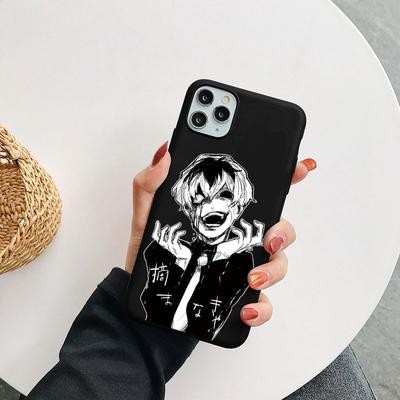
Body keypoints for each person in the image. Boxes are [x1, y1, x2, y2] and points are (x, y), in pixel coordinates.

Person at [25, 143, 375, 400]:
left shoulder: (226, 256)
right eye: (199, 199)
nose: (211, 206)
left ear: (239, 205)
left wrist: (148, 311)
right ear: (188, 208)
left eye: (223, 196)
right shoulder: (168, 252)